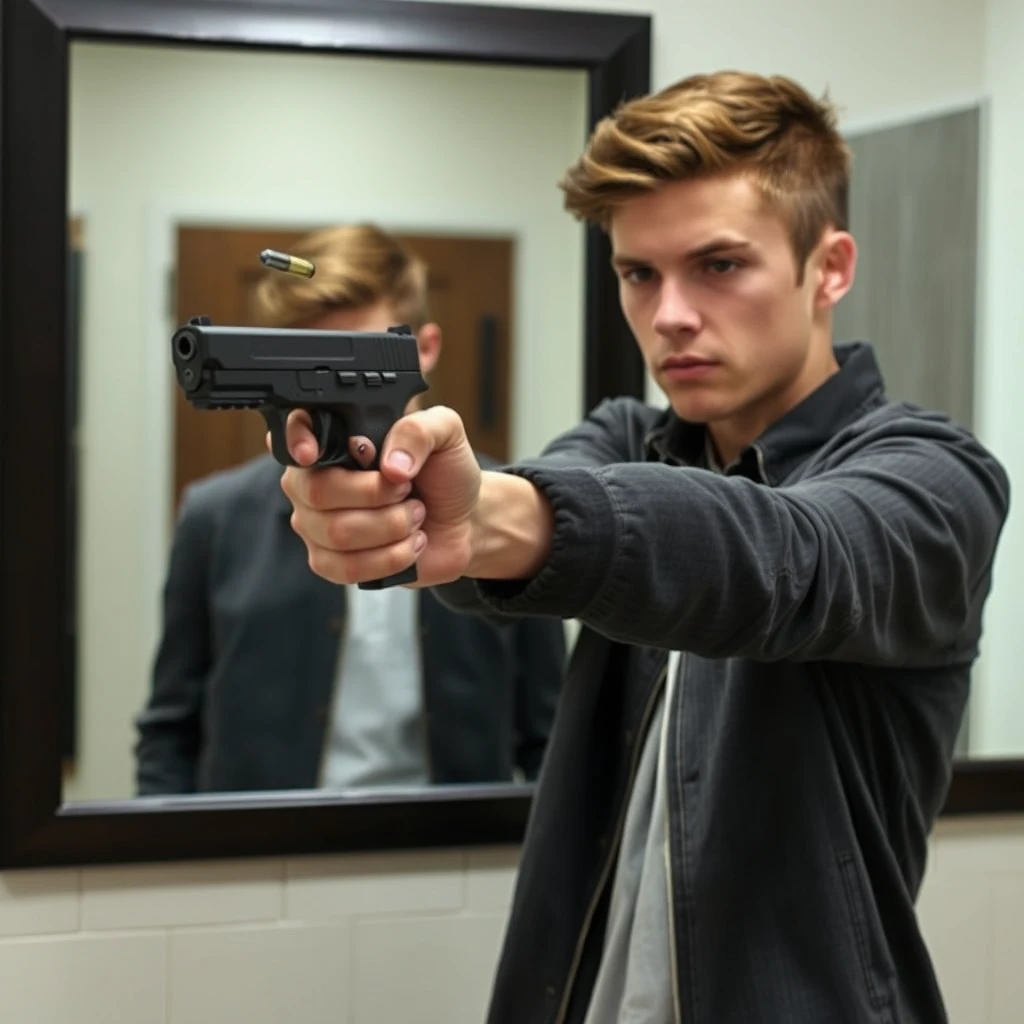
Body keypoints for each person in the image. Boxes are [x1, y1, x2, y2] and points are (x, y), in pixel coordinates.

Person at [279, 73, 1010, 1023]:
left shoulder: (935, 478)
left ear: (828, 269)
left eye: (718, 265)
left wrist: (494, 520)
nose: (667, 315)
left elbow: (784, 562)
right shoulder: (628, 437)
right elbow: (512, 539)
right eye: (638, 274)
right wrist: (435, 507)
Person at [133, 222, 567, 796]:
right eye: (301, 355)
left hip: (452, 856)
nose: (323, 385)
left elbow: (550, 738)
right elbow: (170, 733)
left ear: (425, 349)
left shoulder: (508, 506)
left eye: (344, 355)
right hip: (258, 857)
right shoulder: (214, 519)